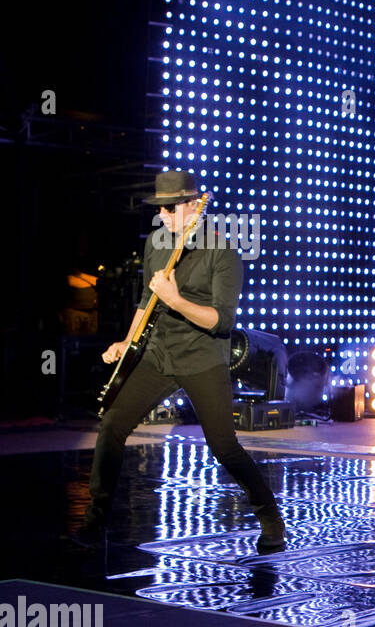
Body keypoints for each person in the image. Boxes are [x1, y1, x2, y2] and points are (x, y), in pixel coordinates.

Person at [68, 171, 285, 554]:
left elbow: (222, 322)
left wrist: (175, 298)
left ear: (193, 206)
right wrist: (126, 341)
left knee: (224, 447)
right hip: (158, 354)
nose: (164, 215)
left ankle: (270, 517)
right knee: (113, 424)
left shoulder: (224, 253)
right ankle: (95, 523)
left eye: (170, 207)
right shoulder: (156, 242)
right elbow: (144, 304)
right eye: (159, 208)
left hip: (203, 358)